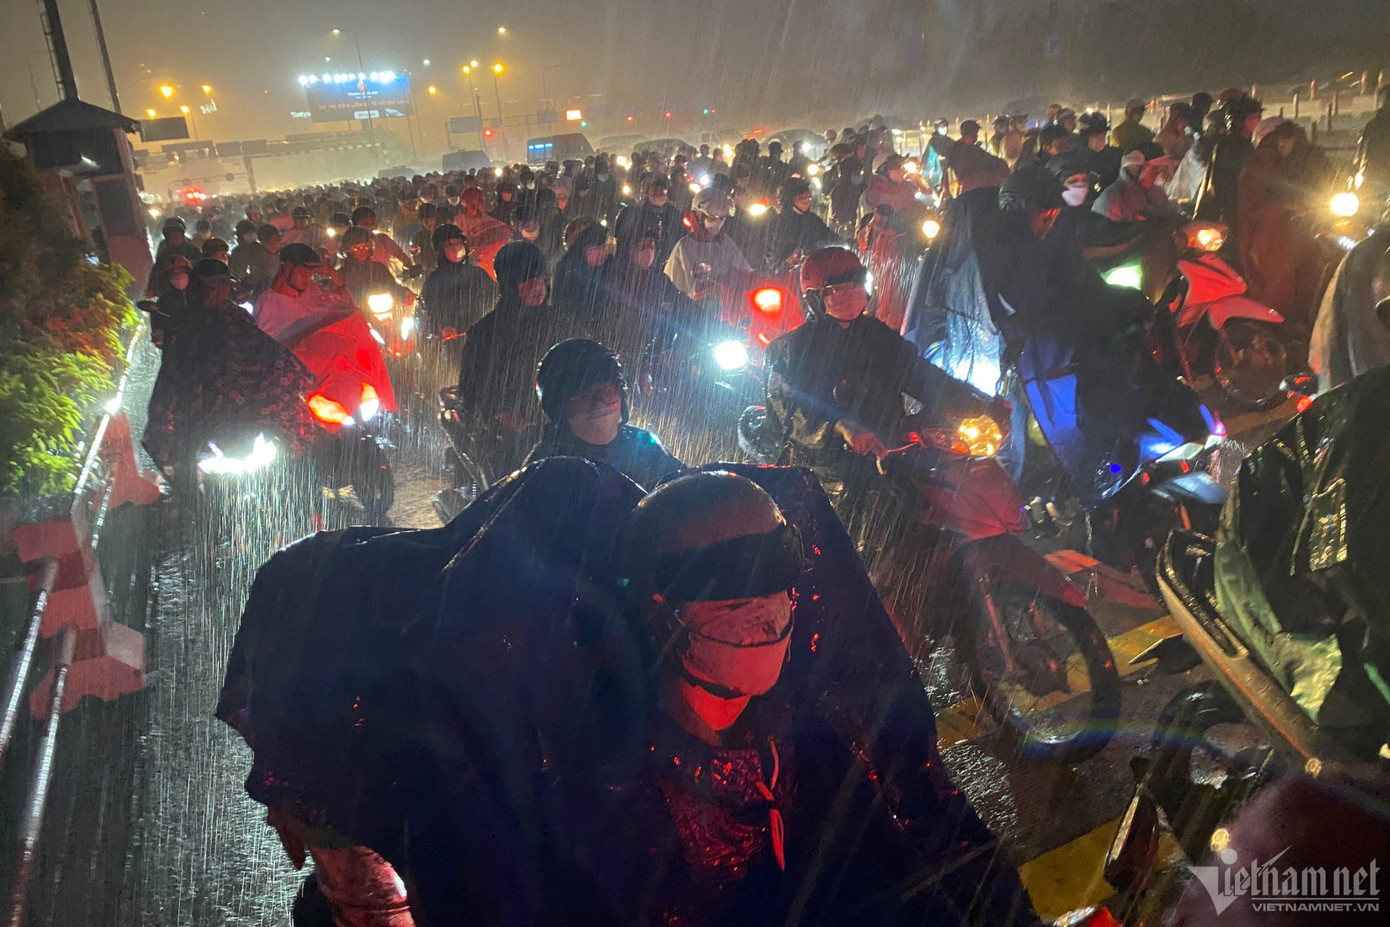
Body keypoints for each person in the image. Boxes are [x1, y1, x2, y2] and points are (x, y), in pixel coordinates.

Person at [761, 248, 994, 494]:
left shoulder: (877, 335)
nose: (851, 295)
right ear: (814, 298)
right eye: (838, 290)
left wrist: (980, 405)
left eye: (856, 286)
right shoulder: (790, 349)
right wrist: (840, 427)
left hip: (888, 453)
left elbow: (922, 375)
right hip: (825, 470)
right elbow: (791, 414)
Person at [142, 259, 317, 480]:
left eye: (222, 285)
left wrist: (297, 376)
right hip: (201, 408)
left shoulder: (238, 318)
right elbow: (174, 369)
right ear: (198, 287)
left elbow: (267, 352)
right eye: (210, 286)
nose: (216, 292)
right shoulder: (186, 323)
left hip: (244, 411)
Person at [454, 241, 586, 471]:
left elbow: (589, 361)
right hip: (511, 438)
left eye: (540, 278)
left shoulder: (563, 324)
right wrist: (499, 414)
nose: (537, 286)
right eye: (527, 281)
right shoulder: (485, 333)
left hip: (564, 427)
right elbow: (471, 391)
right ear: (509, 285)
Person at [522, 339, 683, 490]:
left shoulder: (642, 447)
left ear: (621, 395)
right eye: (584, 397)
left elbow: (686, 488)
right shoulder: (543, 467)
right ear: (560, 409)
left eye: (607, 393)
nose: (598, 405)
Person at [1237, 119, 1329, 323]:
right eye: (1281, 141)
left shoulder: (1297, 158)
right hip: (1269, 229)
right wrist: (1291, 205)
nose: (1283, 146)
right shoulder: (1264, 160)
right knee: (1277, 280)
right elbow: (1266, 192)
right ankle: (1277, 322)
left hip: (1288, 226)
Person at [664, 187, 755, 324]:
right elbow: (683, 292)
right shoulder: (684, 247)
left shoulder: (726, 244)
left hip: (729, 318)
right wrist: (714, 290)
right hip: (697, 318)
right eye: (712, 218)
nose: (717, 222)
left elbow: (746, 273)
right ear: (697, 216)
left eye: (721, 218)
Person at [1195, 95, 1264, 246]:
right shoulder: (1229, 146)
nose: (1259, 121)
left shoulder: (1248, 144)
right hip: (1232, 209)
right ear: (1244, 120)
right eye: (1256, 118)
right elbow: (1222, 181)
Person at [419, 224, 497, 341]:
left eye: (459, 243)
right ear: (440, 249)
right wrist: (442, 327)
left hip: (481, 336)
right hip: (452, 339)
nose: (456, 247)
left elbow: (495, 297)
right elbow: (429, 310)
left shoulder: (478, 273)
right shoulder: (434, 280)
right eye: (449, 244)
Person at [766, 177, 839, 273]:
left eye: (807, 196)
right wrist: (782, 264)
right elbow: (771, 254)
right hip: (786, 274)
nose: (806, 200)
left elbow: (828, 235)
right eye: (801, 197)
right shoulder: (778, 223)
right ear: (790, 200)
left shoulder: (813, 220)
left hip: (814, 271)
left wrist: (845, 243)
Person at [612, 174, 683, 269]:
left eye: (662, 192)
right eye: (655, 192)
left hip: (661, 265)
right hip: (631, 264)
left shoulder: (673, 214)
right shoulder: (632, 213)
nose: (658, 195)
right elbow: (622, 238)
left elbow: (678, 237)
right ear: (648, 193)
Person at [551, 223, 611, 331]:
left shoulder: (610, 266)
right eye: (600, 248)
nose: (605, 253)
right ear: (586, 249)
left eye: (606, 248)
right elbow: (561, 304)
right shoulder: (568, 268)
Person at [1093, 149, 1178, 223]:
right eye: (1154, 169)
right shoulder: (1111, 199)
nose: (1157, 175)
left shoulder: (1154, 189)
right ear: (1135, 167)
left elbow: (1170, 214)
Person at [455, 188, 513, 279]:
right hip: (478, 265)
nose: (482, 203)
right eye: (479, 200)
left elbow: (503, 230)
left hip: (492, 260)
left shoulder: (485, 216)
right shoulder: (460, 221)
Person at [947, 120, 1010, 196]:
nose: (976, 136)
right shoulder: (958, 149)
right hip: (970, 185)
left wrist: (1001, 163)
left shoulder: (973, 148)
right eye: (975, 133)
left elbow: (990, 159)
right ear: (970, 134)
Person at [147, 217, 203, 297]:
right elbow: (156, 271)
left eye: (177, 235)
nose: (175, 238)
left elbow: (200, 272)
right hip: (168, 293)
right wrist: (152, 289)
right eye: (171, 235)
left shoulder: (193, 251)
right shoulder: (164, 252)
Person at [229, 220, 278, 297]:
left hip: (264, 287)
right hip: (247, 289)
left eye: (253, 232)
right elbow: (235, 271)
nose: (252, 235)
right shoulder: (237, 252)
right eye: (248, 233)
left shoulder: (260, 248)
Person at [1357, 85, 1390, 190]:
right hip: (1375, 177)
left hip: (1374, 177)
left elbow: (1362, 152)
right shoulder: (1373, 125)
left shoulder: (1373, 125)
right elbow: (1362, 153)